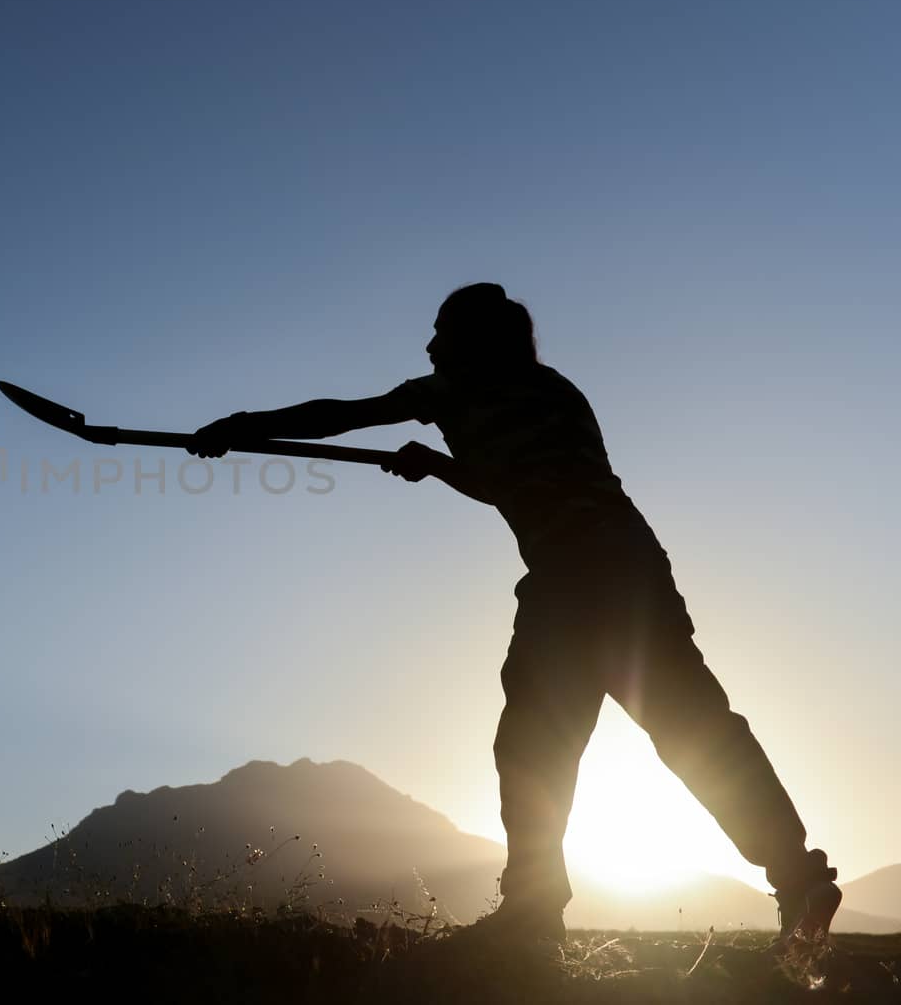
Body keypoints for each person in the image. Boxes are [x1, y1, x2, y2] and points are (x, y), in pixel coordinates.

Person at [186, 282, 840, 948]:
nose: (431, 345)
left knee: (532, 743)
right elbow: (522, 482)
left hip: (570, 576)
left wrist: (242, 426)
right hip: (633, 568)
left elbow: (341, 415)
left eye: (443, 333)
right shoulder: (552, 390)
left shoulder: (455, 387)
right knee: (694, 728)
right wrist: (441, 467)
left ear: (474, 342)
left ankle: (532, 912)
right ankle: (798, 876)